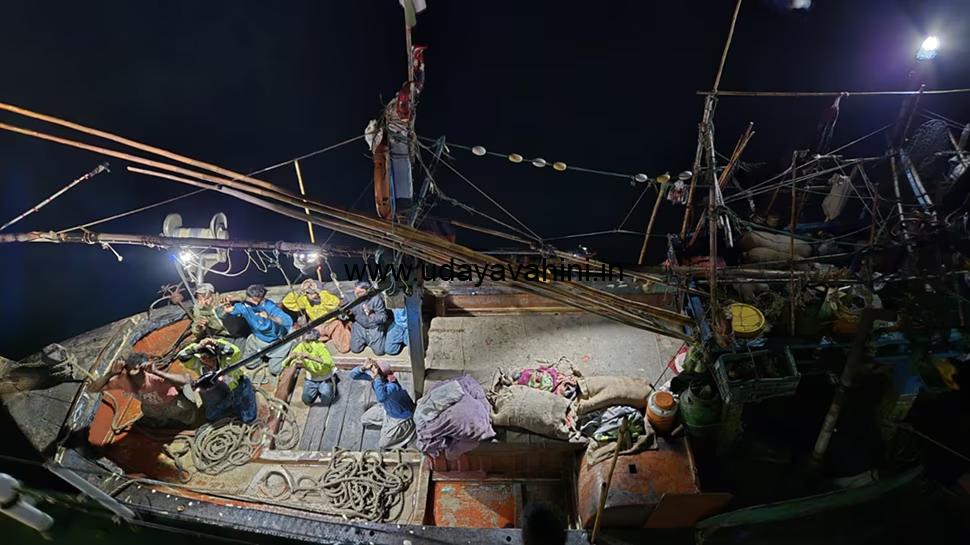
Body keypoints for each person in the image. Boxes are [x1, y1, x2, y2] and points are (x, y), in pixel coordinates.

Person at [87, 352, 199, 428]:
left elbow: (186, 380)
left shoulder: (154, 377)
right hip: (152, 406)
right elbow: (92, 389)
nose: (134, 368)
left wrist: (157, 372)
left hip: (173, 403)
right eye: (130, 366)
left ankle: (173, 419)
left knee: (192, 419)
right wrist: (111, 373)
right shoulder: (123, 381)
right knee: (147, 411)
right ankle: (164, 420)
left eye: (137, 365)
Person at [177, 338, 257, 424]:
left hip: (239, 387)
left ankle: (239, 403)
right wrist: (197, 346)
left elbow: (235, 351)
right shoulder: (198, 364)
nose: (207, 360)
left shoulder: (228, 361)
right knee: (211, 416)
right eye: (204, 357)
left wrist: (216, 343)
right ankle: (230, 409)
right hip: (220, 391)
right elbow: (182, 356)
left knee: (248, 418)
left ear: (216, 356)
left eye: (210, 357)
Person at [222, 284, 294, 375]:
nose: (252, 303)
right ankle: (262, 358)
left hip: (277, 342)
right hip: (258, 339)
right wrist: (227, 309)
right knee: (249, 364)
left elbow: (287, 321)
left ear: (260, 298)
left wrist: (269, 317)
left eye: (256, 300)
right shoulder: (244, 306)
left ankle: (287, 355)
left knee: (275, 370)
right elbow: (232, 310)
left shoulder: (269, 306)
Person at [351, 358, 415, 449]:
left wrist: (377, 378)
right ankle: (387, 425)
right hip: (387, 409)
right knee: (364, 420)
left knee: (383, 444)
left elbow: (381, 397)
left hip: (400, 417)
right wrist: (363, 368)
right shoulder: (376, 378)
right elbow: (353, 376)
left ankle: (405, 431)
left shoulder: (393, 386)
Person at [282, 279, 352, 353]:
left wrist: (318, 290)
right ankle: (326, 338)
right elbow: (287, 302)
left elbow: (335, 302)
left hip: (332, 324)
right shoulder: (305, 300)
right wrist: (299, 291)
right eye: (308, 293)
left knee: (344, 348)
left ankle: (347, 329)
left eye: (312, 292)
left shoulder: (324, 297)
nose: (310, 295)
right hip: (317, 326)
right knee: (309, 347)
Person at [281, 329, 337, 406]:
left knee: (326, 400)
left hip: (325, 378)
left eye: (310, 341)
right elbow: (286, 363)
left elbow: (329, 362)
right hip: (311, 378)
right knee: (306, 400)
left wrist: (310, 357)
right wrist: (291, 358)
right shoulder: (302, 346)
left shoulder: (321, 347)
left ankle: (332, 383)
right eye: (306, 341)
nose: (307, 343)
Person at [348, 282, 389, 356]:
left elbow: (383, 317)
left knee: (379, 352)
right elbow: (342, 312)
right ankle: (364, 339)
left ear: (367, 291)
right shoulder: (351, 297)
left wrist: (371, 314)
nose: (357, 294)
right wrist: (346, 313)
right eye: (356, 292)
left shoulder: (376, 299)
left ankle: (378, 336)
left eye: (360, 292)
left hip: (374, 326)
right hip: (359, 325)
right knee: (355, 349)